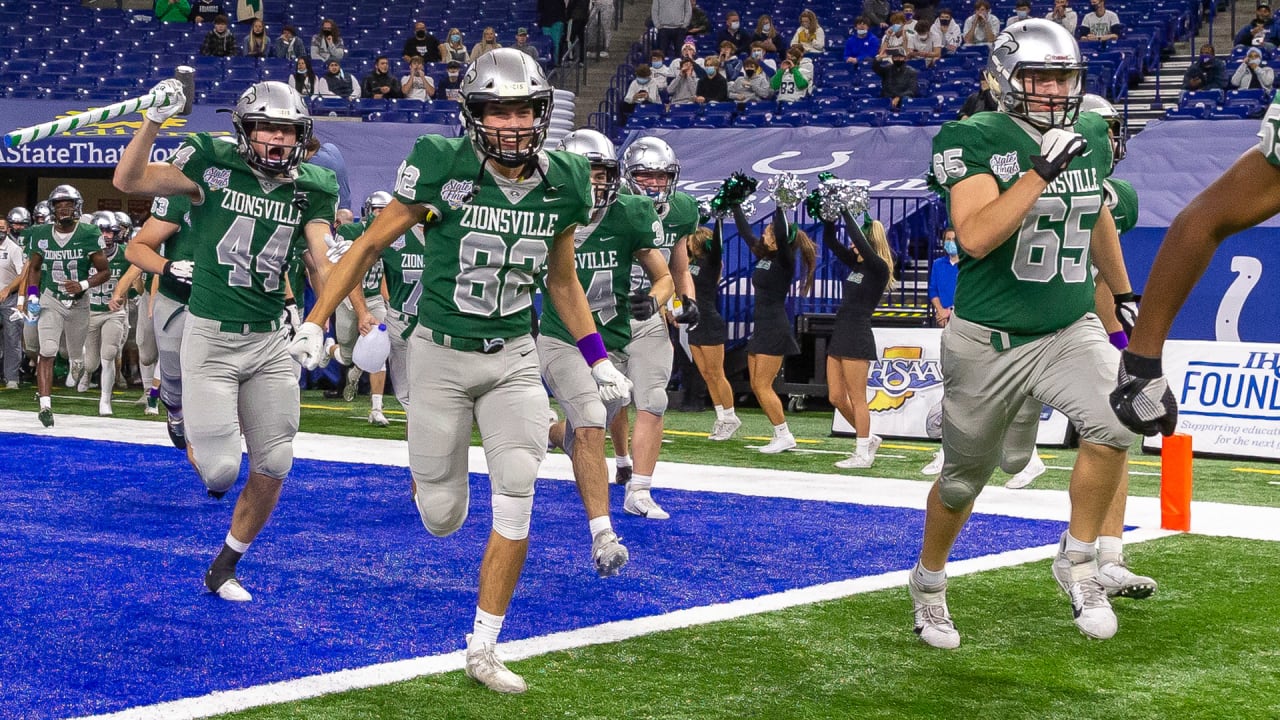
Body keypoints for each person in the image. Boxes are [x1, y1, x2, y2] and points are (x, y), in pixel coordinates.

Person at [286, 48, 630, 694]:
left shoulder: (565, 180)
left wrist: (597, 358)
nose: (512, 123)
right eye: (497, 109)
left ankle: (484, 645)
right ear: (473, 116)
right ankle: (435, 481)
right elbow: (365, 245)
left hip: (513, 357)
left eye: (523, 108)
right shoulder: (440, 164)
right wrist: (316, 318)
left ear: (543, 113)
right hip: (438, 356)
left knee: (519, 488)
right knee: (443, 514)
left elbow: (563, 281)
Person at [913, 19, 1140, 649]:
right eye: (1038, 77)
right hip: (989, 340)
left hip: (1067, 326)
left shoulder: (1090, 131)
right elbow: (977, 236)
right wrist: (1038, 173)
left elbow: (1095, 215)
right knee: (963, 481)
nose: (1051, 90)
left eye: (1062, 77)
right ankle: (929, 585)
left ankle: (1080, 558)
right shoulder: (972, 136)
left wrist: (1122, 296)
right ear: (1004, 80)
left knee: (1119, 420)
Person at [113, 80, 339, 601]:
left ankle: (225, 564)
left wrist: (316, 321)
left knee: (276, 461)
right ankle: (178, 412)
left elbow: (324, 260)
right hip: (211, 336)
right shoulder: (212, 162)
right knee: (218, 470)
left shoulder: (315, 185)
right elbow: (128, 180)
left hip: (268, 341)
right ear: (245, 130)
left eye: (287, 129)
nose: (277, 140)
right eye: (267, 127)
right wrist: (153, 120)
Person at [544, 129, 672, 576]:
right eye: (587, 173)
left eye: (602, 173)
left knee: (587, 424)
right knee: (594, 420)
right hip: (561, 339)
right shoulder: (546, 210)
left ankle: (555, 434)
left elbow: (664, 275)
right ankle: (603, 534)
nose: (596, 183)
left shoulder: (631, 212)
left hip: (612, 343)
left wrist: (656, 297)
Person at [606, 136, 699, 519]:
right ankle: (614, 455)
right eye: (648, 175)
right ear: (628, 176)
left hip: (649, 318)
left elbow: (679, 267)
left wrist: (685, 301)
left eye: (663, 176)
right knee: (602, 408)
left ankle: (639, 489)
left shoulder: (679, 210)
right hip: (604, 317)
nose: (657, 184)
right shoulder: (608, 207)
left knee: (654, 399)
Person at [13, 185, 109, 427]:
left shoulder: (88, 233)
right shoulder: (40, 233)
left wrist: (83, 284)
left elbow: (104, 271)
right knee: (47, 349)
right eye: (58, 204)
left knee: (73, 355)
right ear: (52, 208)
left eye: (68, 203)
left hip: (78, 302)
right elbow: (34, 268)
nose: (63, 208)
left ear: (77, 207)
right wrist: (33, 296)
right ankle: (45, 405)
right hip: (51, 297)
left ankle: (77, 363)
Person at [731, 194, 816, 454]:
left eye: (768, 232)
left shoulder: (785, 261)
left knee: (763, 385)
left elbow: (781, 229)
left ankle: (784, 435)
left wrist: (781, 203)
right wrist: (734, 205)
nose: (764, 234)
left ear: (778, 239)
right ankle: (780, 433)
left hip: (775, 327)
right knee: (757, 385)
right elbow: (745, 233)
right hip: (763, 326)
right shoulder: (765, 256)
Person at [821, 208, 892, 468]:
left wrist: (844, 210)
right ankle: (869, 438)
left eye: (858, 239)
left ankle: (862, 453)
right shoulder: (855, 264)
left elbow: (856, 237)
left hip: (858, 333)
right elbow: (830, 241)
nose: (851, 243)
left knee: (858, 398)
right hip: (840, 331)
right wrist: (827, 214)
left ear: (868, 241)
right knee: (836, 397)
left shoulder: (878, 267)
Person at [332, 193, 390, 425]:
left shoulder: (393, 235)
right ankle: (333, 352)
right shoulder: (350, 232)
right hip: (349, 298)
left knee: (380, 351)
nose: (382, 215)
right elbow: (345, 269)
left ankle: (376, 408)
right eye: (378, 210)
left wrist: (387, 299)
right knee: (346, 356)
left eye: (386, 210)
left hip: (374, 298)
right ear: (367, 211)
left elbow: (387, 270)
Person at [80, 212, 135, 416]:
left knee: (109, 355)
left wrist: (126, 291)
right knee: (91, 362)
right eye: (102, 231)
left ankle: (105, 399)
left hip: (114, 313)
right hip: (90, 311)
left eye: (110, 231)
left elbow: (136, 275)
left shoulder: (125, 253)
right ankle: (86, 373)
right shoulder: (85, 252)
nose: (107, 235)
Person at [0, 210, 26, 389]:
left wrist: (8, 289)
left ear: (8, 230)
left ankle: (12, 377)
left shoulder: (14, 249)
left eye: (1, 228)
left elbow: (22, 274)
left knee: (11, 338)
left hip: (9, 298)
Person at [928, 227, 959, 328]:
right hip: (942, 318)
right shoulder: (938, 264)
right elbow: (933, 290)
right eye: (948, 239)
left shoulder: (966, 265)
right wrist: (941, 311)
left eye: (954, 240)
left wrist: (950, 312)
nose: (951, 242)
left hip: (962, 318)